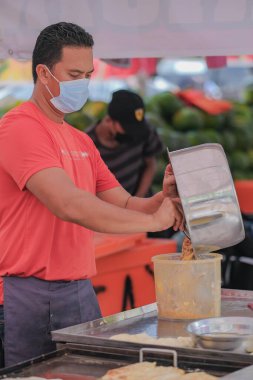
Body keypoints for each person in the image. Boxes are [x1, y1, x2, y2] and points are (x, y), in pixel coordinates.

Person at [0, 22, 184, 366]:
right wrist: (153, 221)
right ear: (43, 72)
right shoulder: (19, 127)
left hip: (80, 287)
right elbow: (68, 203)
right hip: (26, 292)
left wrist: (160, 200)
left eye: (87, 73)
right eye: (73, 73)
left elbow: (126, 201)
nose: (82, 83)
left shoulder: (81, 140)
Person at [86, 90, 164, 197]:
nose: (133, 133)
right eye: (128, 127)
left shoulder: (144, 131)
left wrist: (137, 200)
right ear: (109, 120)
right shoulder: (86, 145)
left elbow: (150, 164)